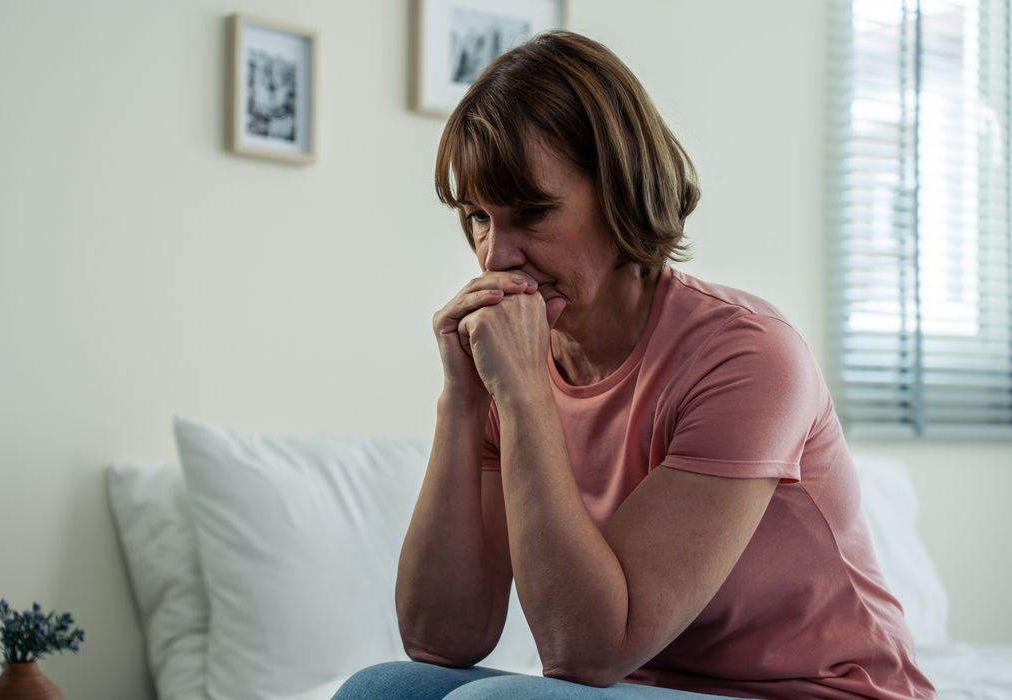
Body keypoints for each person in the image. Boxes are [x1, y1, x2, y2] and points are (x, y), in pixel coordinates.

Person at [333, 31, 935, 700]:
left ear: (621, 192)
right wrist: (463, 398)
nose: (492, 256)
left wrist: (525, 394)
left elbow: (586, 655)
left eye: (531, 213)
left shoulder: (745, 355)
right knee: (383, 689)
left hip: (821, 694)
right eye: (477, 217)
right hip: (653, 691)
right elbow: (439, 641)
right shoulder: (512, 366)